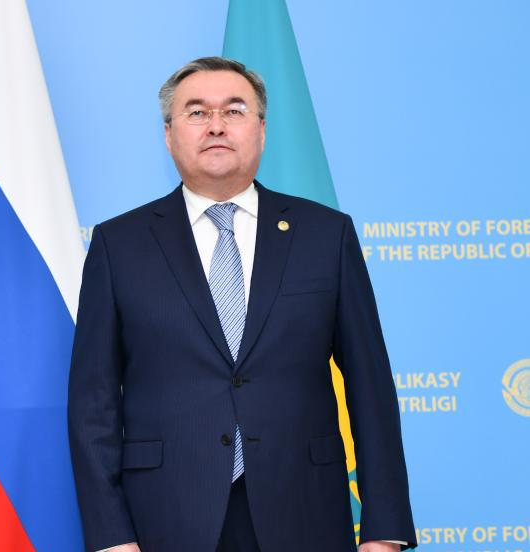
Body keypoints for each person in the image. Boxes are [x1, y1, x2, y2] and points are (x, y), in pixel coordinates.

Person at [67, 57, 416, 552]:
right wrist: (110, 538)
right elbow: (93, 403)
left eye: (234, 111)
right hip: (164, 518)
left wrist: (384, 528)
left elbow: (370, 388)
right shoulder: (119, 245)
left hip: (305, 514)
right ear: (168, 134)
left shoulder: (325, 235)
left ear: (262, 130)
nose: (216, 126)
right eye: (196, 112)